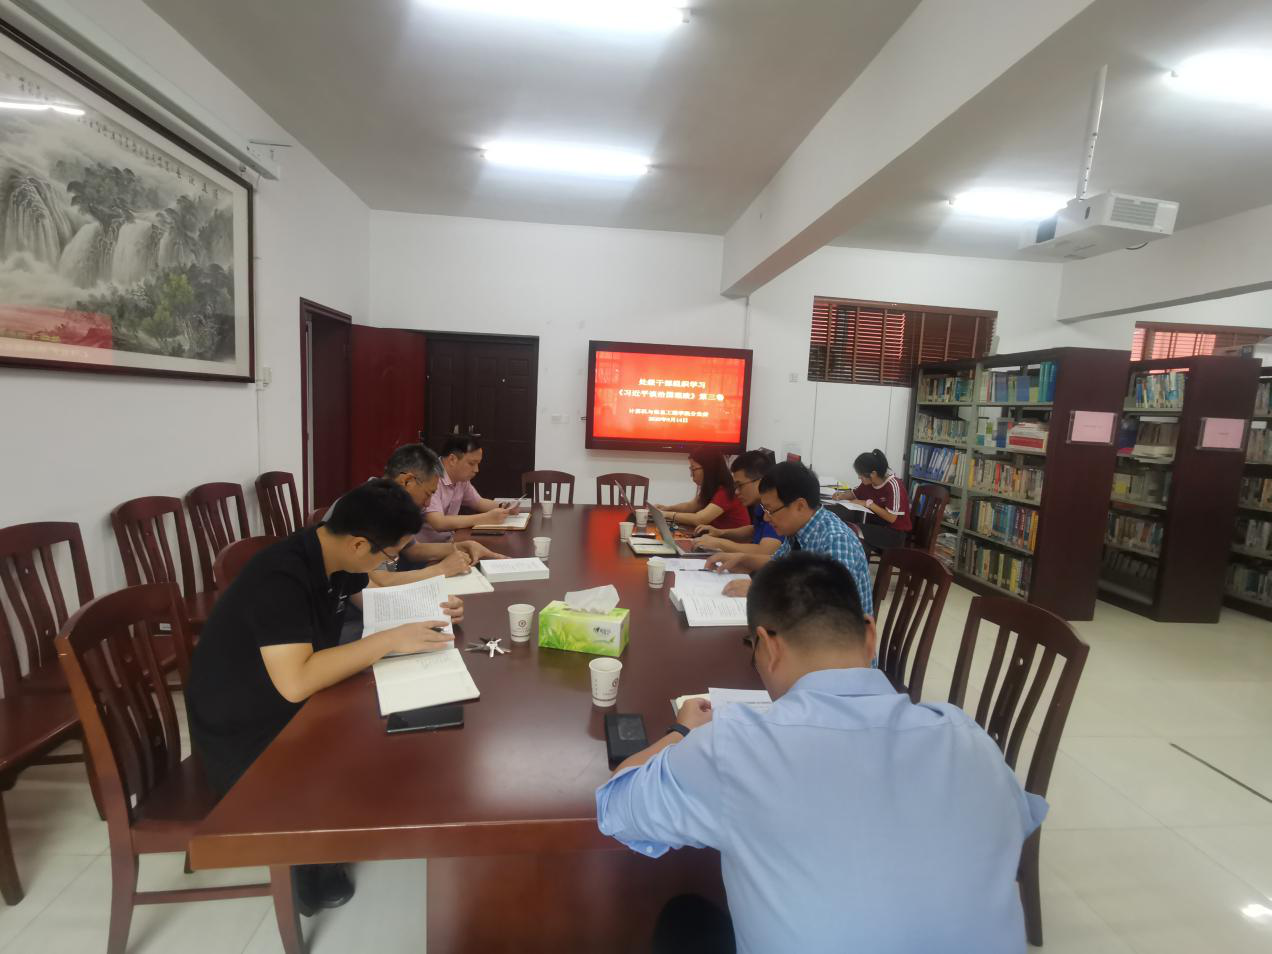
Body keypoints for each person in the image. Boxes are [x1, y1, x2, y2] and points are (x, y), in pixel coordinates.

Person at [596, 552, 1047, 953]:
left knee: (684, 920)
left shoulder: (734, 747)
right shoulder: (970, 739)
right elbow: (1020, 817)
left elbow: (616, 805)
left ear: (768, 645)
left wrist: (681, 731)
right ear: (870, 635)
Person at [186, 479, 464, 914]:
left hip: (286, 703)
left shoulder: (333, 552)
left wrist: (432, 607)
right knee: (365, 737)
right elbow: (295, 682)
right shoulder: (280, 577)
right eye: (389, 555)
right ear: (359, 545)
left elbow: (372, 600)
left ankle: (335, 823)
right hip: (245, 732)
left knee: (391, 723)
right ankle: (307, 856)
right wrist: (390, 640)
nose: (389, 563)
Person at [704, 461, 873, 616]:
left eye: (770, 510)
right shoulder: (798, 529)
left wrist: (762, 590)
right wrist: (743, 559)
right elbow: (778, 564)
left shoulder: (836, 540)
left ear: (800, 506)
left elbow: (830, 603)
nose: (766, 518)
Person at [324, 443, 505, 582]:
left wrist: (463, 546)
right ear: (407, 481)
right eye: (428, 494)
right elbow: (379, 581)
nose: (427, 504)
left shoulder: (393, 505)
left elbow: (413, 550)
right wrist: (440, 570)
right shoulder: (367, 507)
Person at [419, 434, 519, 542]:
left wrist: (505, 506)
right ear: (452, 459)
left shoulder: (461, 478)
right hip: (427, 547)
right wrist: (485, 518)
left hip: (450, 540)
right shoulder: (431, 476)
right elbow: (439, 522)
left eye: (478, 464)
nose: (476, 470)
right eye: (472, 463)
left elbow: (478, 502)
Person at [691, 450, 780, 556]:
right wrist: (720, 533)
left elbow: (764, 552)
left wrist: (719, 543)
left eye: (740, 485)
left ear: (761, 481)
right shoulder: (761, 505)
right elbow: (755, 530)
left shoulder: (777, 507)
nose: (737, 492)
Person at [834, 448, 912, 551]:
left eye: (861, 474)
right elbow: (854, 493)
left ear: (873, 474)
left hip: (894, 533)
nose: (859, 477)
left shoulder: (894, 485)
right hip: (875, 525)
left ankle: (857, 558)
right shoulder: (868, 482)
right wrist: (841, 496)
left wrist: (868, 504)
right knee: (842, 520)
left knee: (854, 530)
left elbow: (891, 518)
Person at [656, 449, 750, 531]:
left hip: (731, 542)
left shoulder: (725, 491)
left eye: (693, 469)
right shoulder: (711, 488)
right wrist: (666, 508)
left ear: (708, 468)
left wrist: (667, 514)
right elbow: (691, 506)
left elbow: (700, 519)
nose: (691, 475)